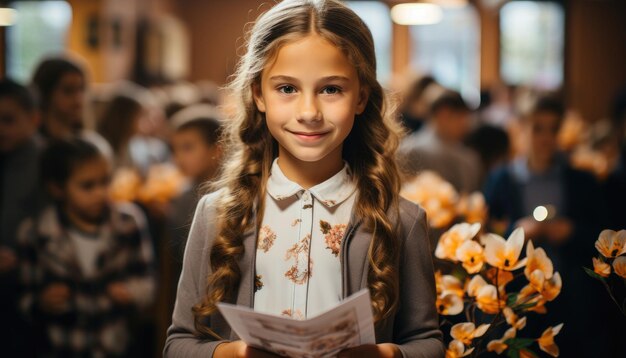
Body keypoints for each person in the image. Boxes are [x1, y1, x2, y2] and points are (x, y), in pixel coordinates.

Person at [164, 1, 444, 357]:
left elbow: (429, 343)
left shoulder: (401, 220)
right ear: (257, 94)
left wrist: (383, 354)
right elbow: (178, 344)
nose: (309, 112)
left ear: (361, 96)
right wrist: (233, 353)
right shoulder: (215, 214)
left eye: (331, 89)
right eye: (286, 89)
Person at [483, 96, 612, 357]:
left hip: (572, 300)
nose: (546, 137)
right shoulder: (501, 180)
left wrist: (572, 232)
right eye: (537, 127)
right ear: (521, 128)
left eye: (553, 129)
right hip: (520, 300)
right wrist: (515, 233)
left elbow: (605, 238)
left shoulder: (581, 181)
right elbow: (486, 239)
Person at [17, 138, 156, 357]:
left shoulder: (128, 222)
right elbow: (24, 300)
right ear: (57, 188)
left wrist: (131, 292)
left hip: (117, 346)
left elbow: (148, 284)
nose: (100, 192)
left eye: (105, 181)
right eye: (87, 186)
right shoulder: (36, 234)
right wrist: (42, 302)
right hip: (62, 347)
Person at [0, 78, 42, 356]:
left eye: (8, 119)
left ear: (33, 118)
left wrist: (20, 254)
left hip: (30, 283)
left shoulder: (45, 161)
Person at [168, 104, 224, 261]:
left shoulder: (233, 195)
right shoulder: (184, 196)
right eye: (175, 149)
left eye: (187, 148)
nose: (178, 158)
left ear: (217, 150)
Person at [398, 90, 481, 193]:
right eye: (461, 117)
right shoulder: (411, 150)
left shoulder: (468, 156)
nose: (466, 124)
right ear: (444, 114)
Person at [31, 56, 112, 160]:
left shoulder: (83, 142)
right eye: (68, 91)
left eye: (81, 90)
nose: (78, 99)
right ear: (46, 94)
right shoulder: (36, 149)